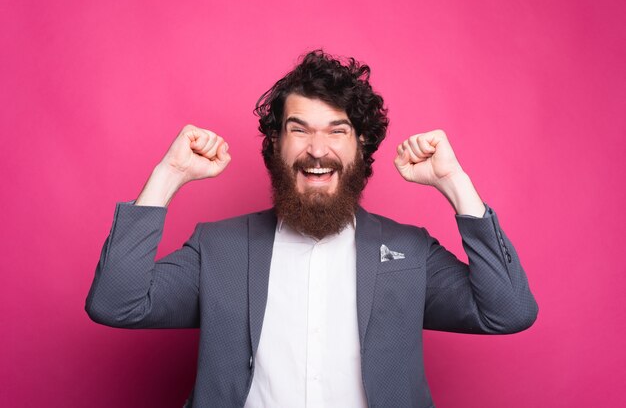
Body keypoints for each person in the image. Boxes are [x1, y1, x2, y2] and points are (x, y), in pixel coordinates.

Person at [86, 50, 538, 408]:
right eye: (299, 130)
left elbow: (508, 311)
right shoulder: (218, 248)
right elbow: (115, 303)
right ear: (277, 144)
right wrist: (168, 176)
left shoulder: (408, 250)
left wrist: (455, 185)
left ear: (361, 146)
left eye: (337, 131)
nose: (317, 150)